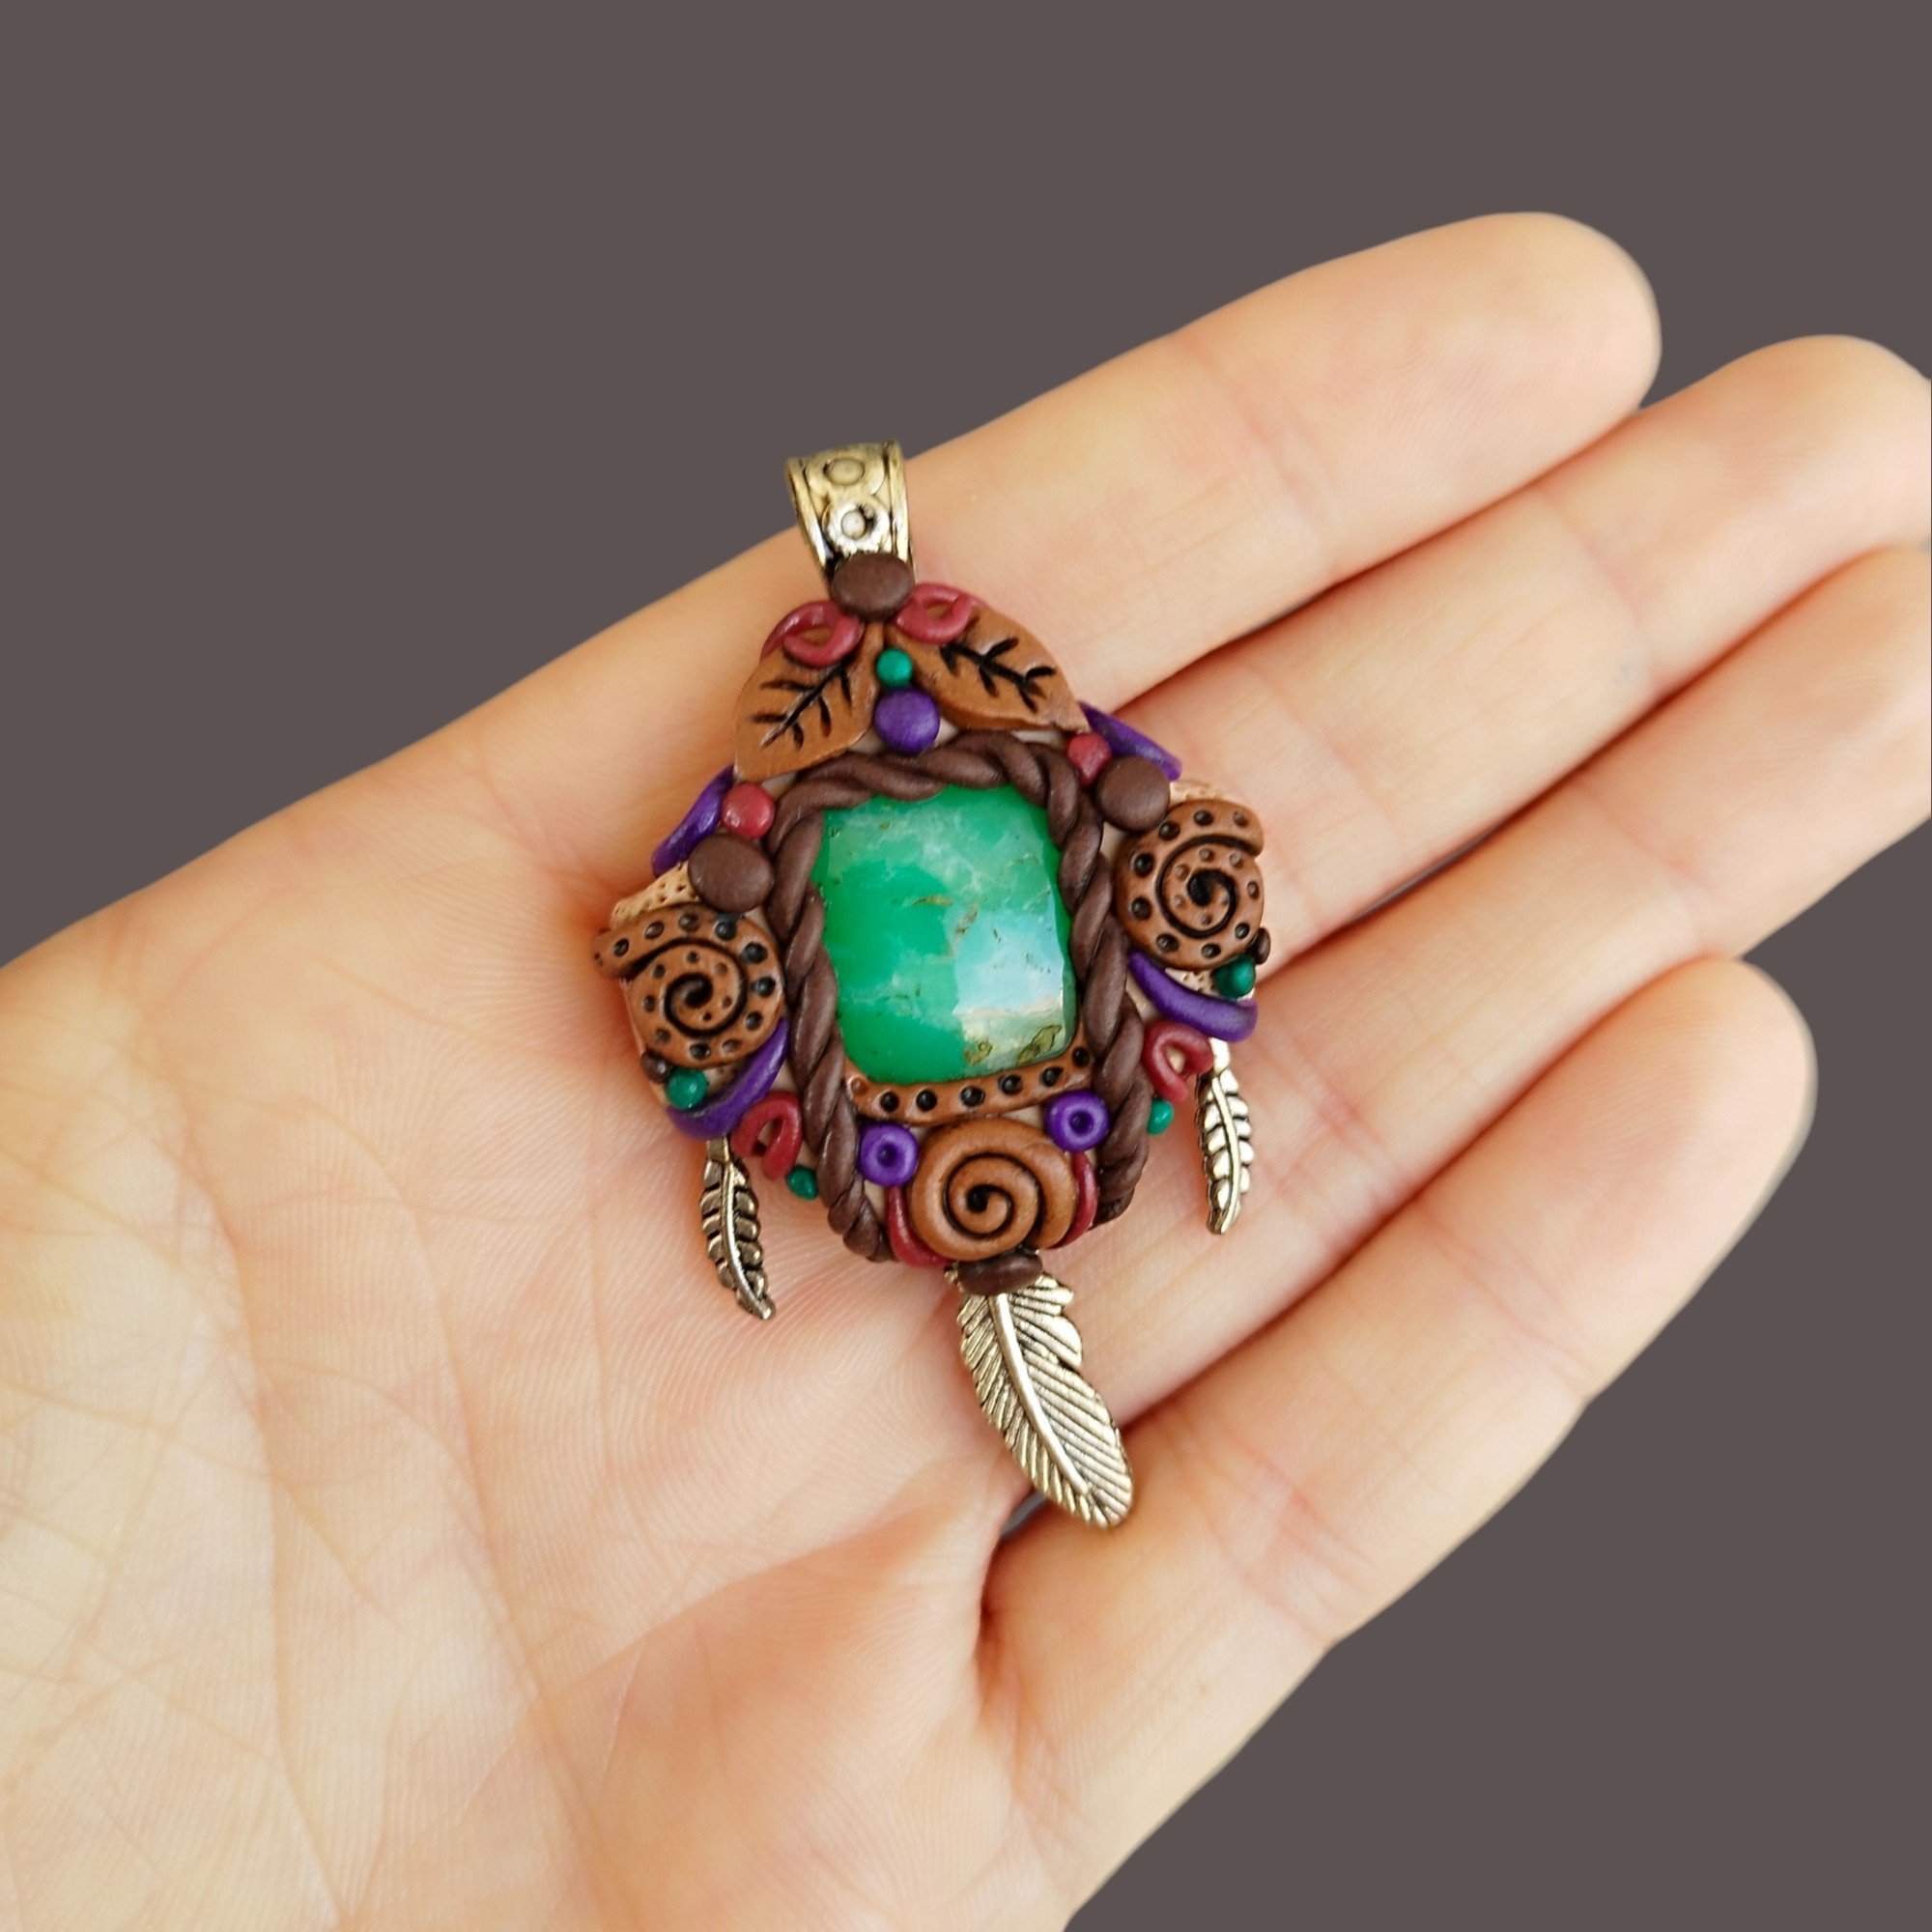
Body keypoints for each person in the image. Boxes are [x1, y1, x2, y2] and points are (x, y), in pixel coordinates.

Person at [0, 215, 1924, 1930]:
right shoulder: (857, 828)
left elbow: (1127, 893)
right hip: (959, 1117)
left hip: (1008, 1105)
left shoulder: (921, 811)